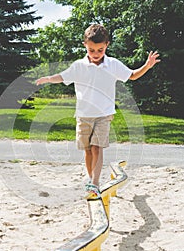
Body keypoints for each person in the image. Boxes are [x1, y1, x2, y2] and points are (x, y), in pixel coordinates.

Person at [36, 24, 160, 199]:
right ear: (85, 45)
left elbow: (132, 75)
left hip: (103, 114)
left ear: (107, 45)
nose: (96, 54)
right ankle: (91, 179)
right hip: (83, 115)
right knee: (87, 150)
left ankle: (95, 182)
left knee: (97, 148)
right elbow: (62, 77)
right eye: (92, 49)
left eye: (100, 50)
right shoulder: (79, 66)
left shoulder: (113, 64)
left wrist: (147, 66)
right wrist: (48, 78)